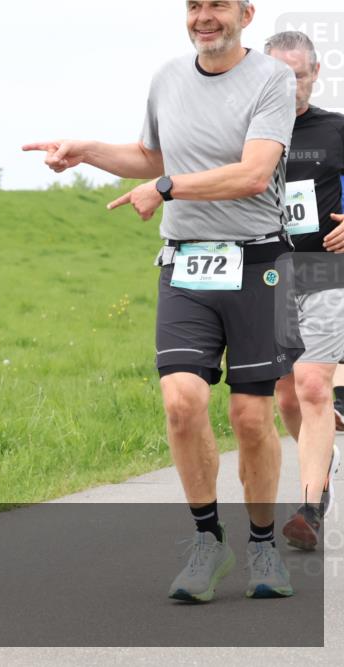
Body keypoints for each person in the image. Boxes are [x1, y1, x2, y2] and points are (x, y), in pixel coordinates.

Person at [24, 0, 302, 601]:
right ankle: (207, 540)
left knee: (251, 417)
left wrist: (167, 186)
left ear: (246, 14)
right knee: (180, 402)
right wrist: (88, 150)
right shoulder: (167, 78)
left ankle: (262, 545)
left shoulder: (273, 79)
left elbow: (254, 174)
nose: (204, 17)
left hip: (259, 263)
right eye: (194, 5)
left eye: (217, 5)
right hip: (186, 263)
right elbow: (152, 158)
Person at [264, 31, 344, 550]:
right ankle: (322, 463)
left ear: (315, 73)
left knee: (313, 385)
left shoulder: (335, 129)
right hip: (269, 272)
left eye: (297, 74)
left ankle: (311, 507)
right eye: (277, 75)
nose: (288, 84)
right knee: (286, 393)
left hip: (324, 268)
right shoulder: (246, 132)